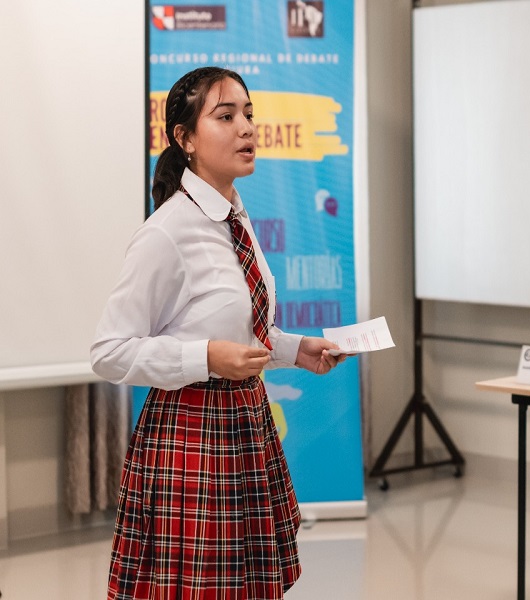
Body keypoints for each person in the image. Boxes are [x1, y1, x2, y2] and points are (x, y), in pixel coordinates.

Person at [91, 66, 346, 599]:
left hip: (245, 429)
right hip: (191, 439)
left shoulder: (234, 215)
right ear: (184, 138)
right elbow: (110, 352)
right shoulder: (166, 231)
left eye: (248, 114)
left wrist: (298, 349)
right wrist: (205, 357)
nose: (246, 128)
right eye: (225, 116)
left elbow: (240, 332)